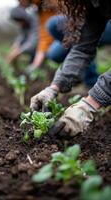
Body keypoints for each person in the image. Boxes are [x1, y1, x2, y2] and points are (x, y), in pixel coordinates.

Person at [30, 0, 111, 136]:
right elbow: (83, 49)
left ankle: (92, 82)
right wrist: (54, 88)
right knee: (56, 51)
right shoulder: (94, 5)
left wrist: (90, 104)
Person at [46, 15, 111, 86]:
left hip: (101, 20)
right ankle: (81, 74)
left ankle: (93, 80)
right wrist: (55, 86)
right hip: (82, 22)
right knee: (55, 54)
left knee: (53, 23)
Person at [26, 0, 56, 72]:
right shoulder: (42, 10)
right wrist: (36, 63)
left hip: (76, 33)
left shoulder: (54, 4)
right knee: (53, 53)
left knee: (55, 53)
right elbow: (44, 36)